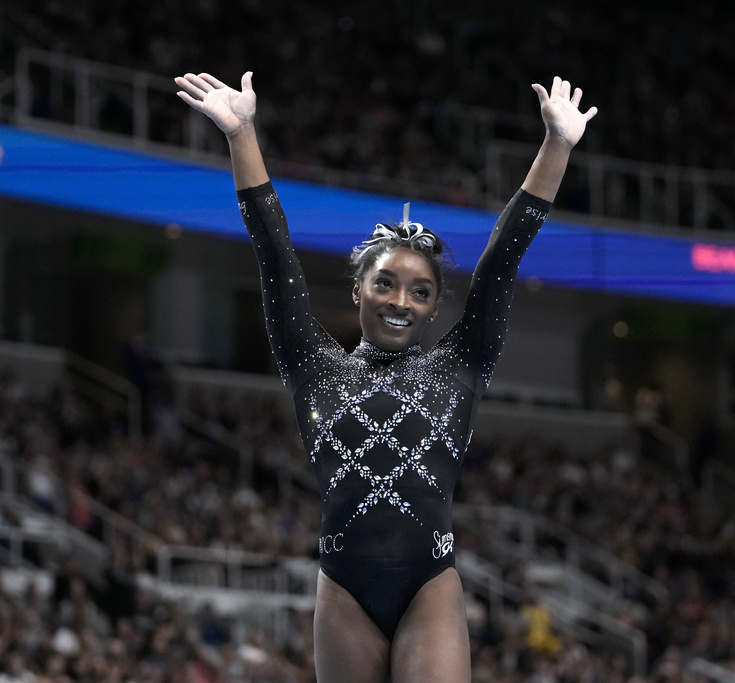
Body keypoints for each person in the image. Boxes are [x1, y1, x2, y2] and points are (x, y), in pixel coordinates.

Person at [174, 70, 596, 682]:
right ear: (359, 290)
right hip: (343, 590)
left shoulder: (462, 363)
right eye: (387, 283)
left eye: (421, 291)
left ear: (433, 306)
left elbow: (503, 260)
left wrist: (557, 146)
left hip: (430, 584)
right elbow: (273, 249)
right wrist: (242, 134)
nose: (402, 300)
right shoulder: (314, 367)